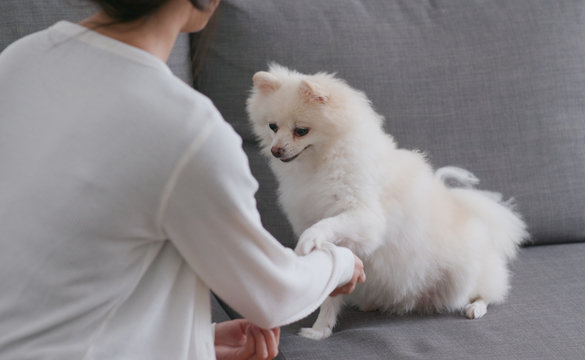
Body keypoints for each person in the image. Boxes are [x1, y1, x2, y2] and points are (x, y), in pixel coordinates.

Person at [0, 0, 366, 359]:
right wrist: (340, 263)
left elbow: (65, 284)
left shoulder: (17, 60)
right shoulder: (187, 132)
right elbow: (273, 295)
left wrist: (191, 340)